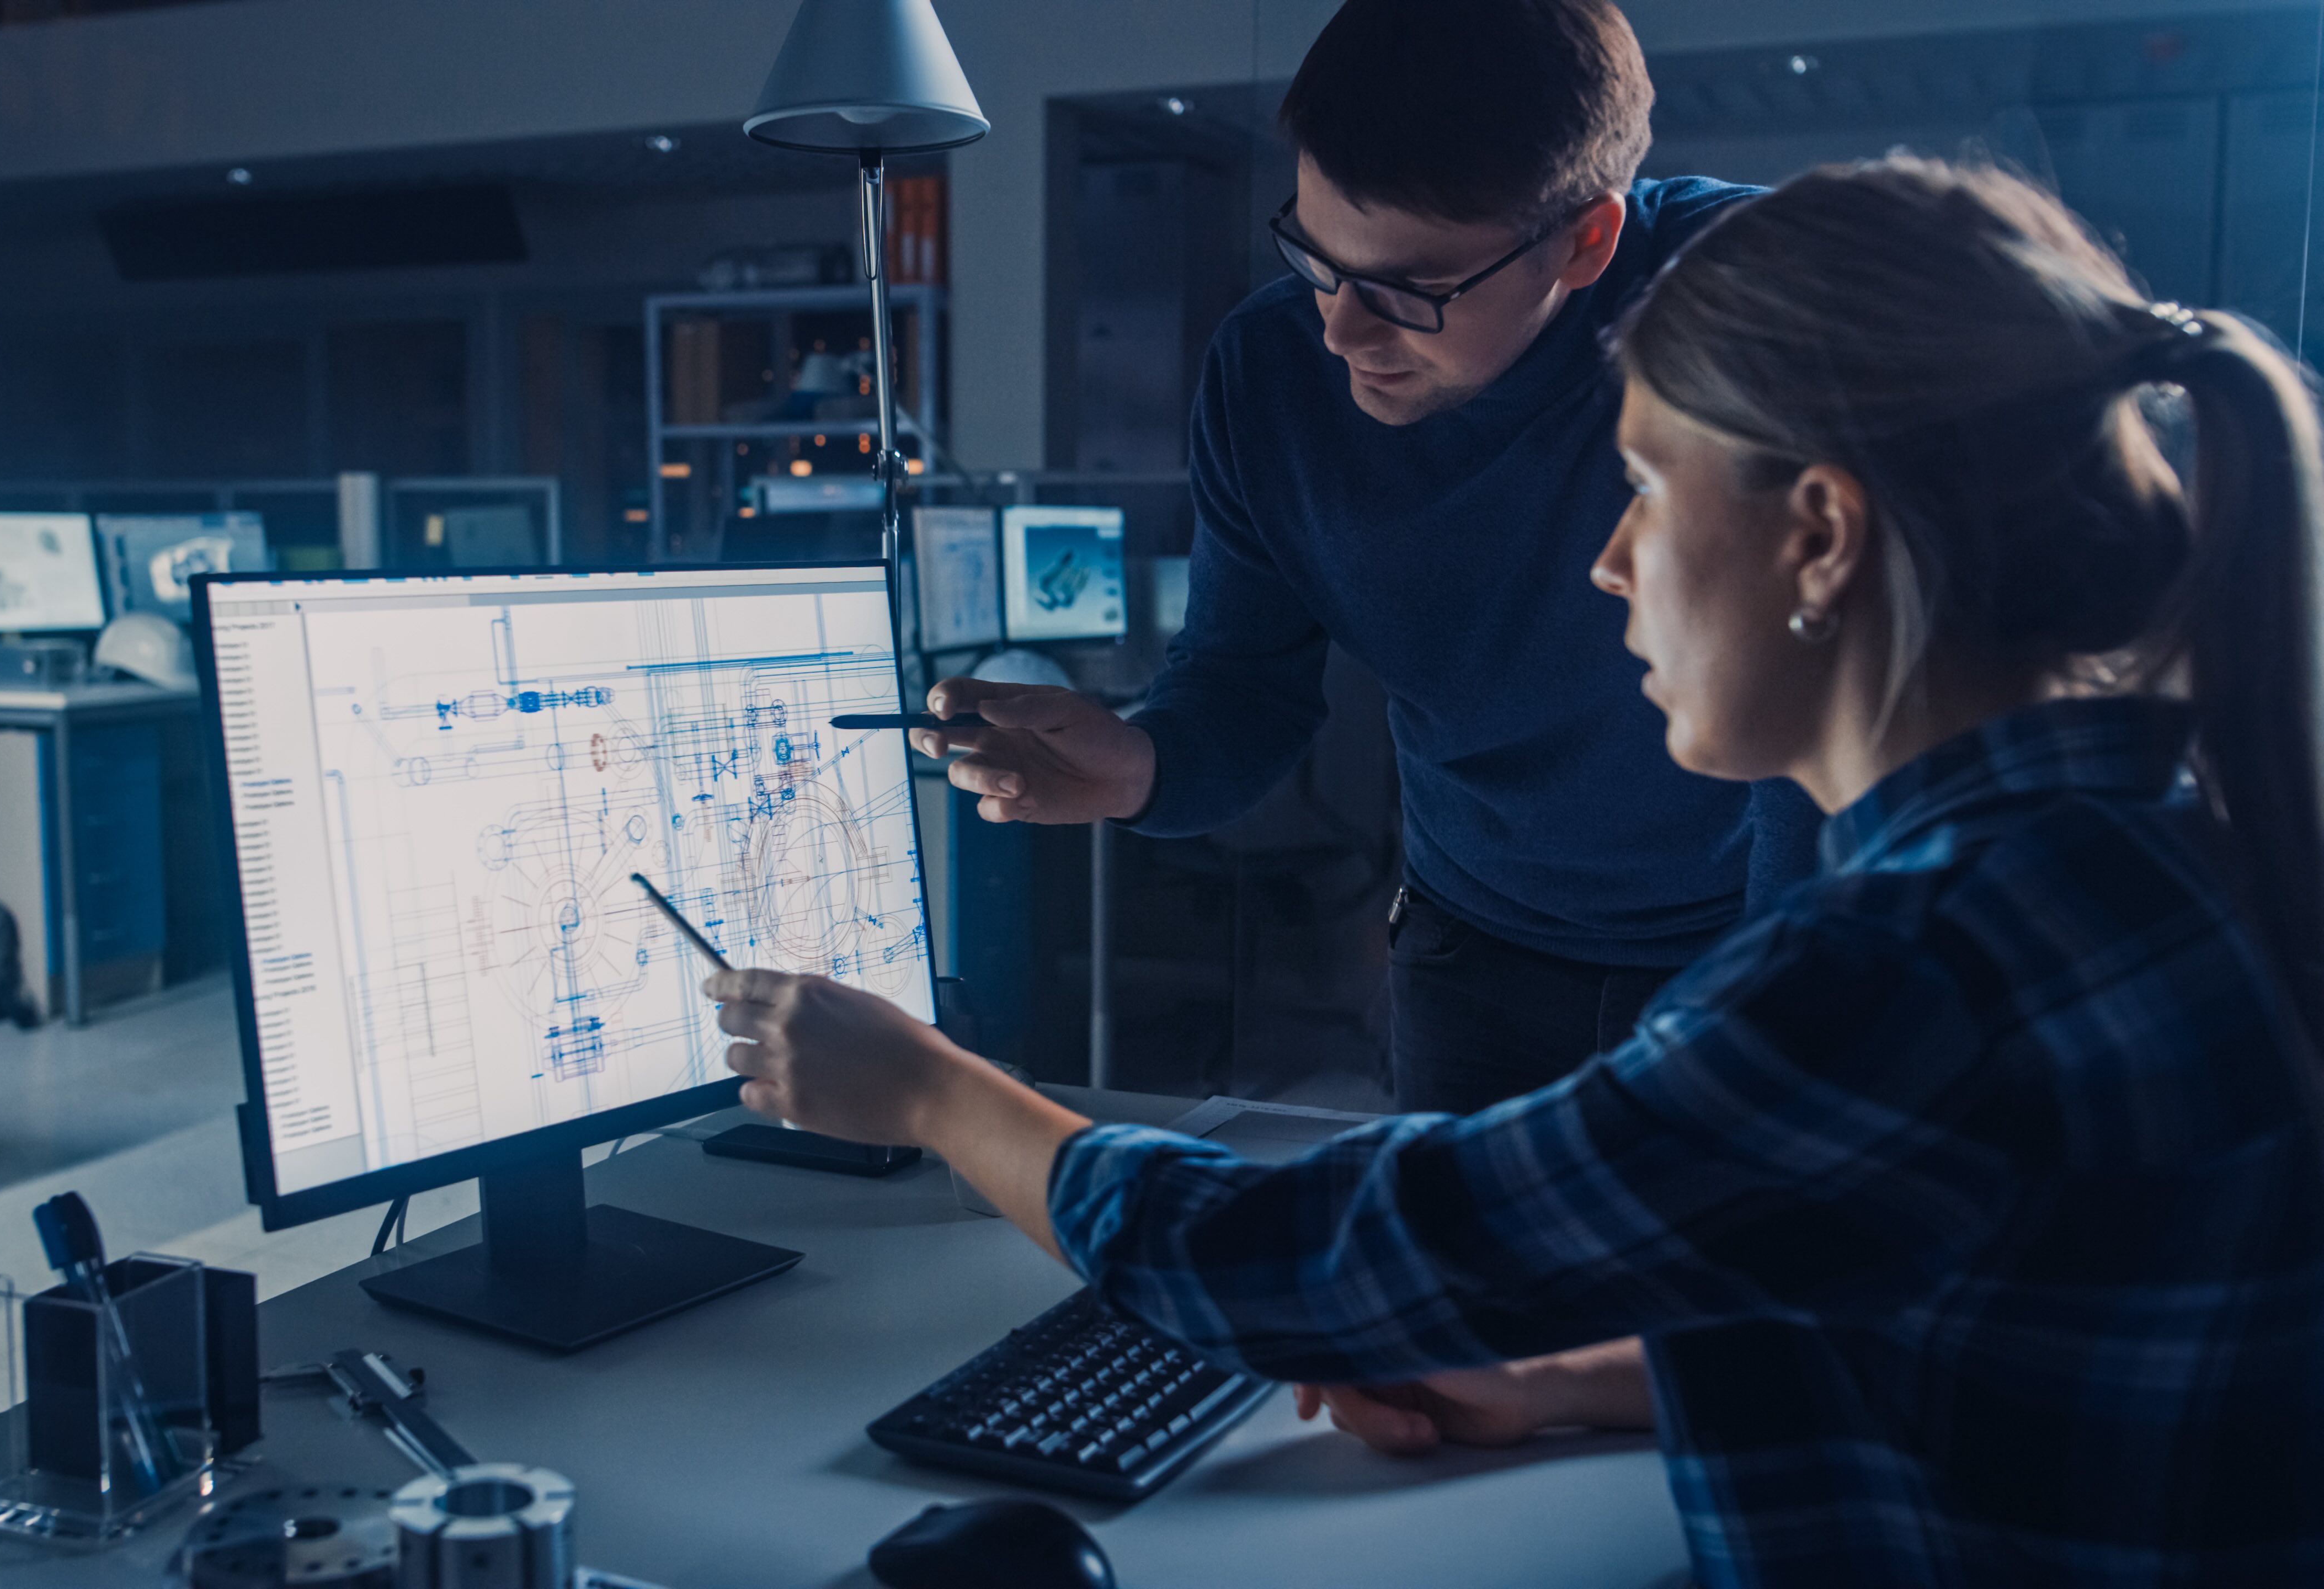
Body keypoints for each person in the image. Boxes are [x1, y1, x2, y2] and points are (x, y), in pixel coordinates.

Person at [713, 157, 2324, 1583]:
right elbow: (1935, 1318)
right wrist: (1566, 1386)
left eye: (1641, 487)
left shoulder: (1906, 969)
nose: (1605, 564)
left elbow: (1294, 1271)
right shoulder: (2160, 832)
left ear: (1820, 536)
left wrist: (924, 1090)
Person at [920, 0, 1823, 1115]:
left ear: (1584, 241)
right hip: (1474, 952)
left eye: (1410, 287)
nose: (1342, 331)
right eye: (1314, 254)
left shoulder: (1766, 302)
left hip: (1763, 937)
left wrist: (1801, 992)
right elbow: (1241, 683)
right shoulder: (1272, 373)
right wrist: (1141, 766)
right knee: (1460, 1280)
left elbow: (1837, 690)